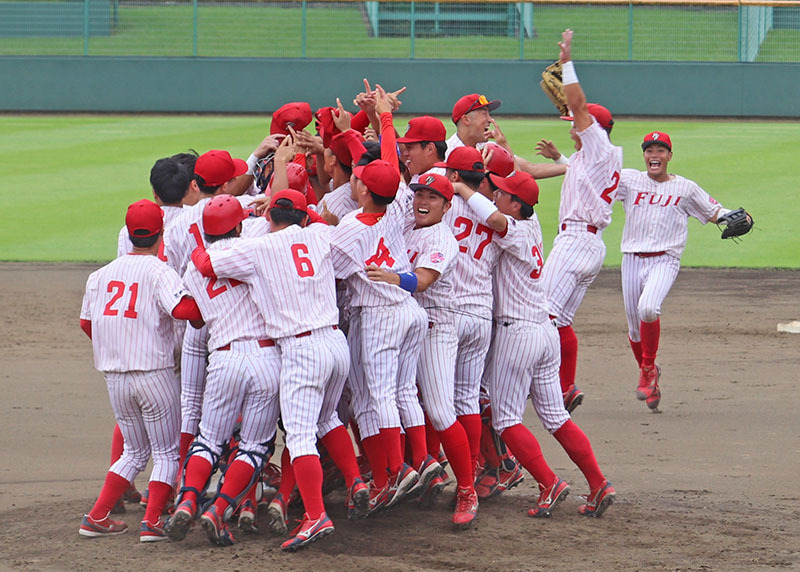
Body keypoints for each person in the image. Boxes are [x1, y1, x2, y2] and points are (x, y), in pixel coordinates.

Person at [191, 189, 368, 551]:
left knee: (300, 436)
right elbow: (317, 220)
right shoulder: (317, 234)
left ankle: (316, 515)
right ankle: (356, 483)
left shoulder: (257, 249)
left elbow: (207, 265)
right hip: (336, 344)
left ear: (270, 216)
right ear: (302, 217)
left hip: (302, 349)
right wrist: (304, 214)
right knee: (328, 419)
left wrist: (196, 242)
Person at [453, 170, 616, 518]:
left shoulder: (515, 228)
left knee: (506, 420)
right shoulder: (532, 221)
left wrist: (461, 188)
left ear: (516, 204)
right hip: (545, 332)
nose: (496, 195)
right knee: (556, 417)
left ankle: (548, 483)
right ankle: (598, 483)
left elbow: (495, 219)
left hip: (520, 334)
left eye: (502, 193)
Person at [78, 199, 202, 542]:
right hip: (154, 376)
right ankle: (152, 522)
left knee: (133, 451)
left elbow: (87, 323)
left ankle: (97, 516)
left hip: (115, 378)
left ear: (129, 233)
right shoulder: (160, 272)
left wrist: (118, 340)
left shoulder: (100, 275)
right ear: (160, 233)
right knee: (166, 452)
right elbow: (186, 311)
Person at [166, 195, 282, 546]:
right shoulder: (255, 252)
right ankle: (217, 510)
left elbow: (196, 317)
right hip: (265, 359)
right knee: (254, 446)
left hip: (223, 358)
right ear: (239, 225)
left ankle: (187, 500)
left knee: (209, 440)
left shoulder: (191, 268)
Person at [366, 173, 479, 528]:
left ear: (447, 205)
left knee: (442, 410)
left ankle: (467, 489)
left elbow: (423, 280)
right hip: (404, 323)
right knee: (389, 397)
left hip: (435, 329)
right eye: (420, 194)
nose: (422, 201)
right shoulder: (407, 226)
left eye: (432, 196)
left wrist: (393, 278)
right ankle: (409, 471)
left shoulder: (442, 238)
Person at [616, 131, 750, 409]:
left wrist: (737, 216)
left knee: (649, 309)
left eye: (660, 150)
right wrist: (560, 158)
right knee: (634, 329)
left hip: (665, 259)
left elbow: (714, 212)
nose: (654, 155)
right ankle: (652, 374)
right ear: (644, 155)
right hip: (631, 258)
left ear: (669, 156)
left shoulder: (685, 188)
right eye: (649, 150)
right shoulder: (629, 180)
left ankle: (648, 369)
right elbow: (591, 177)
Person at [539, 29, 623, 413]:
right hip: (588, 245)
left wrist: (568, 62)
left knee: (541, 314)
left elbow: (580, 103)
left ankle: (543, 384)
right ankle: (566, 386)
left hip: (575, 245)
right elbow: (540, 168)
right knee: (561, 319)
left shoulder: (599, 146)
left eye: (573, 121)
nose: (570, 123)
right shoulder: (587, 160)